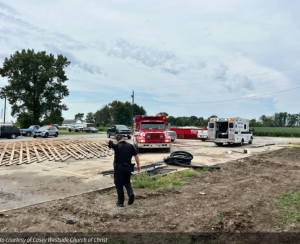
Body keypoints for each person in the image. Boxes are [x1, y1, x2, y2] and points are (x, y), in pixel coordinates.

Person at [105, 134, 141, 207]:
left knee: (119, 184)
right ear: (123, 138)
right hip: (128, 167)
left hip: (119, 168)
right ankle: (130, 193)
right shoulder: (130, 146)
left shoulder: (116, 146)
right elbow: (136, 156)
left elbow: (107, 140)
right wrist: (138, 165)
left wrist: (111, 143)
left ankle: (120, 202)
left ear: (117, 140)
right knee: (127, 181)